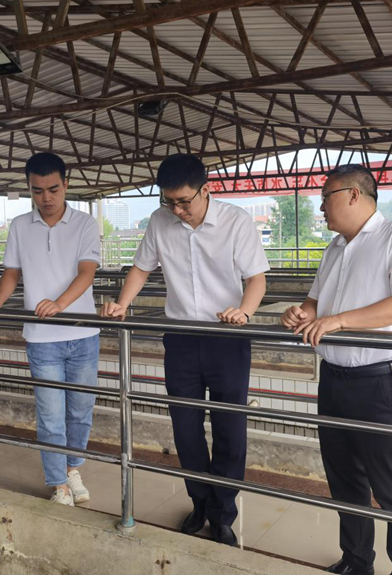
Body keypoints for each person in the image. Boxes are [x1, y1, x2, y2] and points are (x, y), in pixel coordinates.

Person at [101, 153, 269, 546]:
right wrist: (122, 303)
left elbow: (257, 279)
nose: (176, 210)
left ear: (205, 190)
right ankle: (199, 501)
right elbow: (141, 268)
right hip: (179, 339)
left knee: (230, 428)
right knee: (186, 427)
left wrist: (244, 312)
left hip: (227, 338)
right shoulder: (160, 221)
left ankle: (223, 513)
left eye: (184, 202)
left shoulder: (236, 222)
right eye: (169, 202)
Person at [280, 165, 392, 575]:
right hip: (333, 377)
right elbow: (315, 303)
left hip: (380, 380)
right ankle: (356, 560)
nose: (321, 208)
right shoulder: (334, 248)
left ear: (353, 194)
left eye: (325, 197)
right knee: (344, 478)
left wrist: (339, 321)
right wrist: (301, 313)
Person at [0, 152, 101, 508]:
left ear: (66, 184)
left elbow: (87, 271)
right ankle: (59, 483)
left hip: (83, 334)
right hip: (41, 337)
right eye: (37, 191)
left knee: (80, 410)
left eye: (53, 189)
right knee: (50, 414)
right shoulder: (20, 225)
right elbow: (12, 272)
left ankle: (73, 467)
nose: (46, 198)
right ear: (29, 188)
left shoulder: (85, 223)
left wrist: (60, 304)